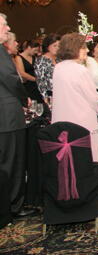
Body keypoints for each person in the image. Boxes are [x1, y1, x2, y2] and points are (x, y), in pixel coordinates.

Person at [51, 33, 98, 163]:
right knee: (88, 162)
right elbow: (92, 98)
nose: (87, 50)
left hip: (62, 123)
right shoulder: (81, 70)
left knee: (69, 163)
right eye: (83, 47)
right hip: (83, 123)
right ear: (74, 48)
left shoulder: (58, 68)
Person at [0, 13, 32, 217]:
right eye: (4, 24)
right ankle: (12, 205)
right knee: (12, 162)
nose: (7, 27)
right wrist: (24, 99)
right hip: (8, 116)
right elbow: (12, 79)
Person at [34, 33, 60, 103]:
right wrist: (45, 98)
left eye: (59, 46)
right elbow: (40, 81)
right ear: (48, 46)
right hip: (49, 96)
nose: (57, 48)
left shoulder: (59, 59)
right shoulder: (41, 60)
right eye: (55, 46)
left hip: (61, 94)